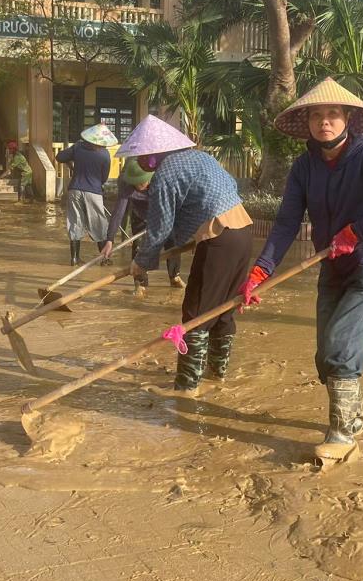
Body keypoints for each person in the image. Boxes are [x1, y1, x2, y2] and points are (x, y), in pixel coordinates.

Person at [241, 78, 363, 464]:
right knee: (326, 354)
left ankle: (340, 436)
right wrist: (260, 272)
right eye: (317, 115)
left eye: (333, 114)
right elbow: (287, 222)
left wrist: (359, 230)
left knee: (340, 346)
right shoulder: (304, 167)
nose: (325, 122)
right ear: (306, 123)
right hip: (332, 263)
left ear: (348, 119)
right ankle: (352, 421)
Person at [122, 115, 254, 398]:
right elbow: (228, 188)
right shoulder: (200, 158)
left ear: (154, 156)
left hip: (218, 237)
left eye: (143, 156)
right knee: (223, 309)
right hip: (242, 231)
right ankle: (216, 374)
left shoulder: (166, 174)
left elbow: (159, 229)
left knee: (196, 312)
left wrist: (140, 263)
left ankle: (187, 387)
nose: (142, 163)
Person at [101, 157, 185, 295]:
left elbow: (171, 204)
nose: (141, 186)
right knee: (139, 246)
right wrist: (110, 240)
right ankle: (140, 282)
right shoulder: (125, 183)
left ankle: (175, 276)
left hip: (162, 212)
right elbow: (118, 212)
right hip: (140, 213)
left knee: (172, 241)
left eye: (143, 182)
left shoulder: (161, 180)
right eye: (137, 183)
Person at [57, 124, 116, 266]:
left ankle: (75, 258)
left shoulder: (78, 147)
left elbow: (60, 157)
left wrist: (72, 165)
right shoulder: (104, 154)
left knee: (75, 222)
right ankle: (104, 258)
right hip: (93, 191)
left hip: (74, 190)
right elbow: (103, 178)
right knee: (99, 224)